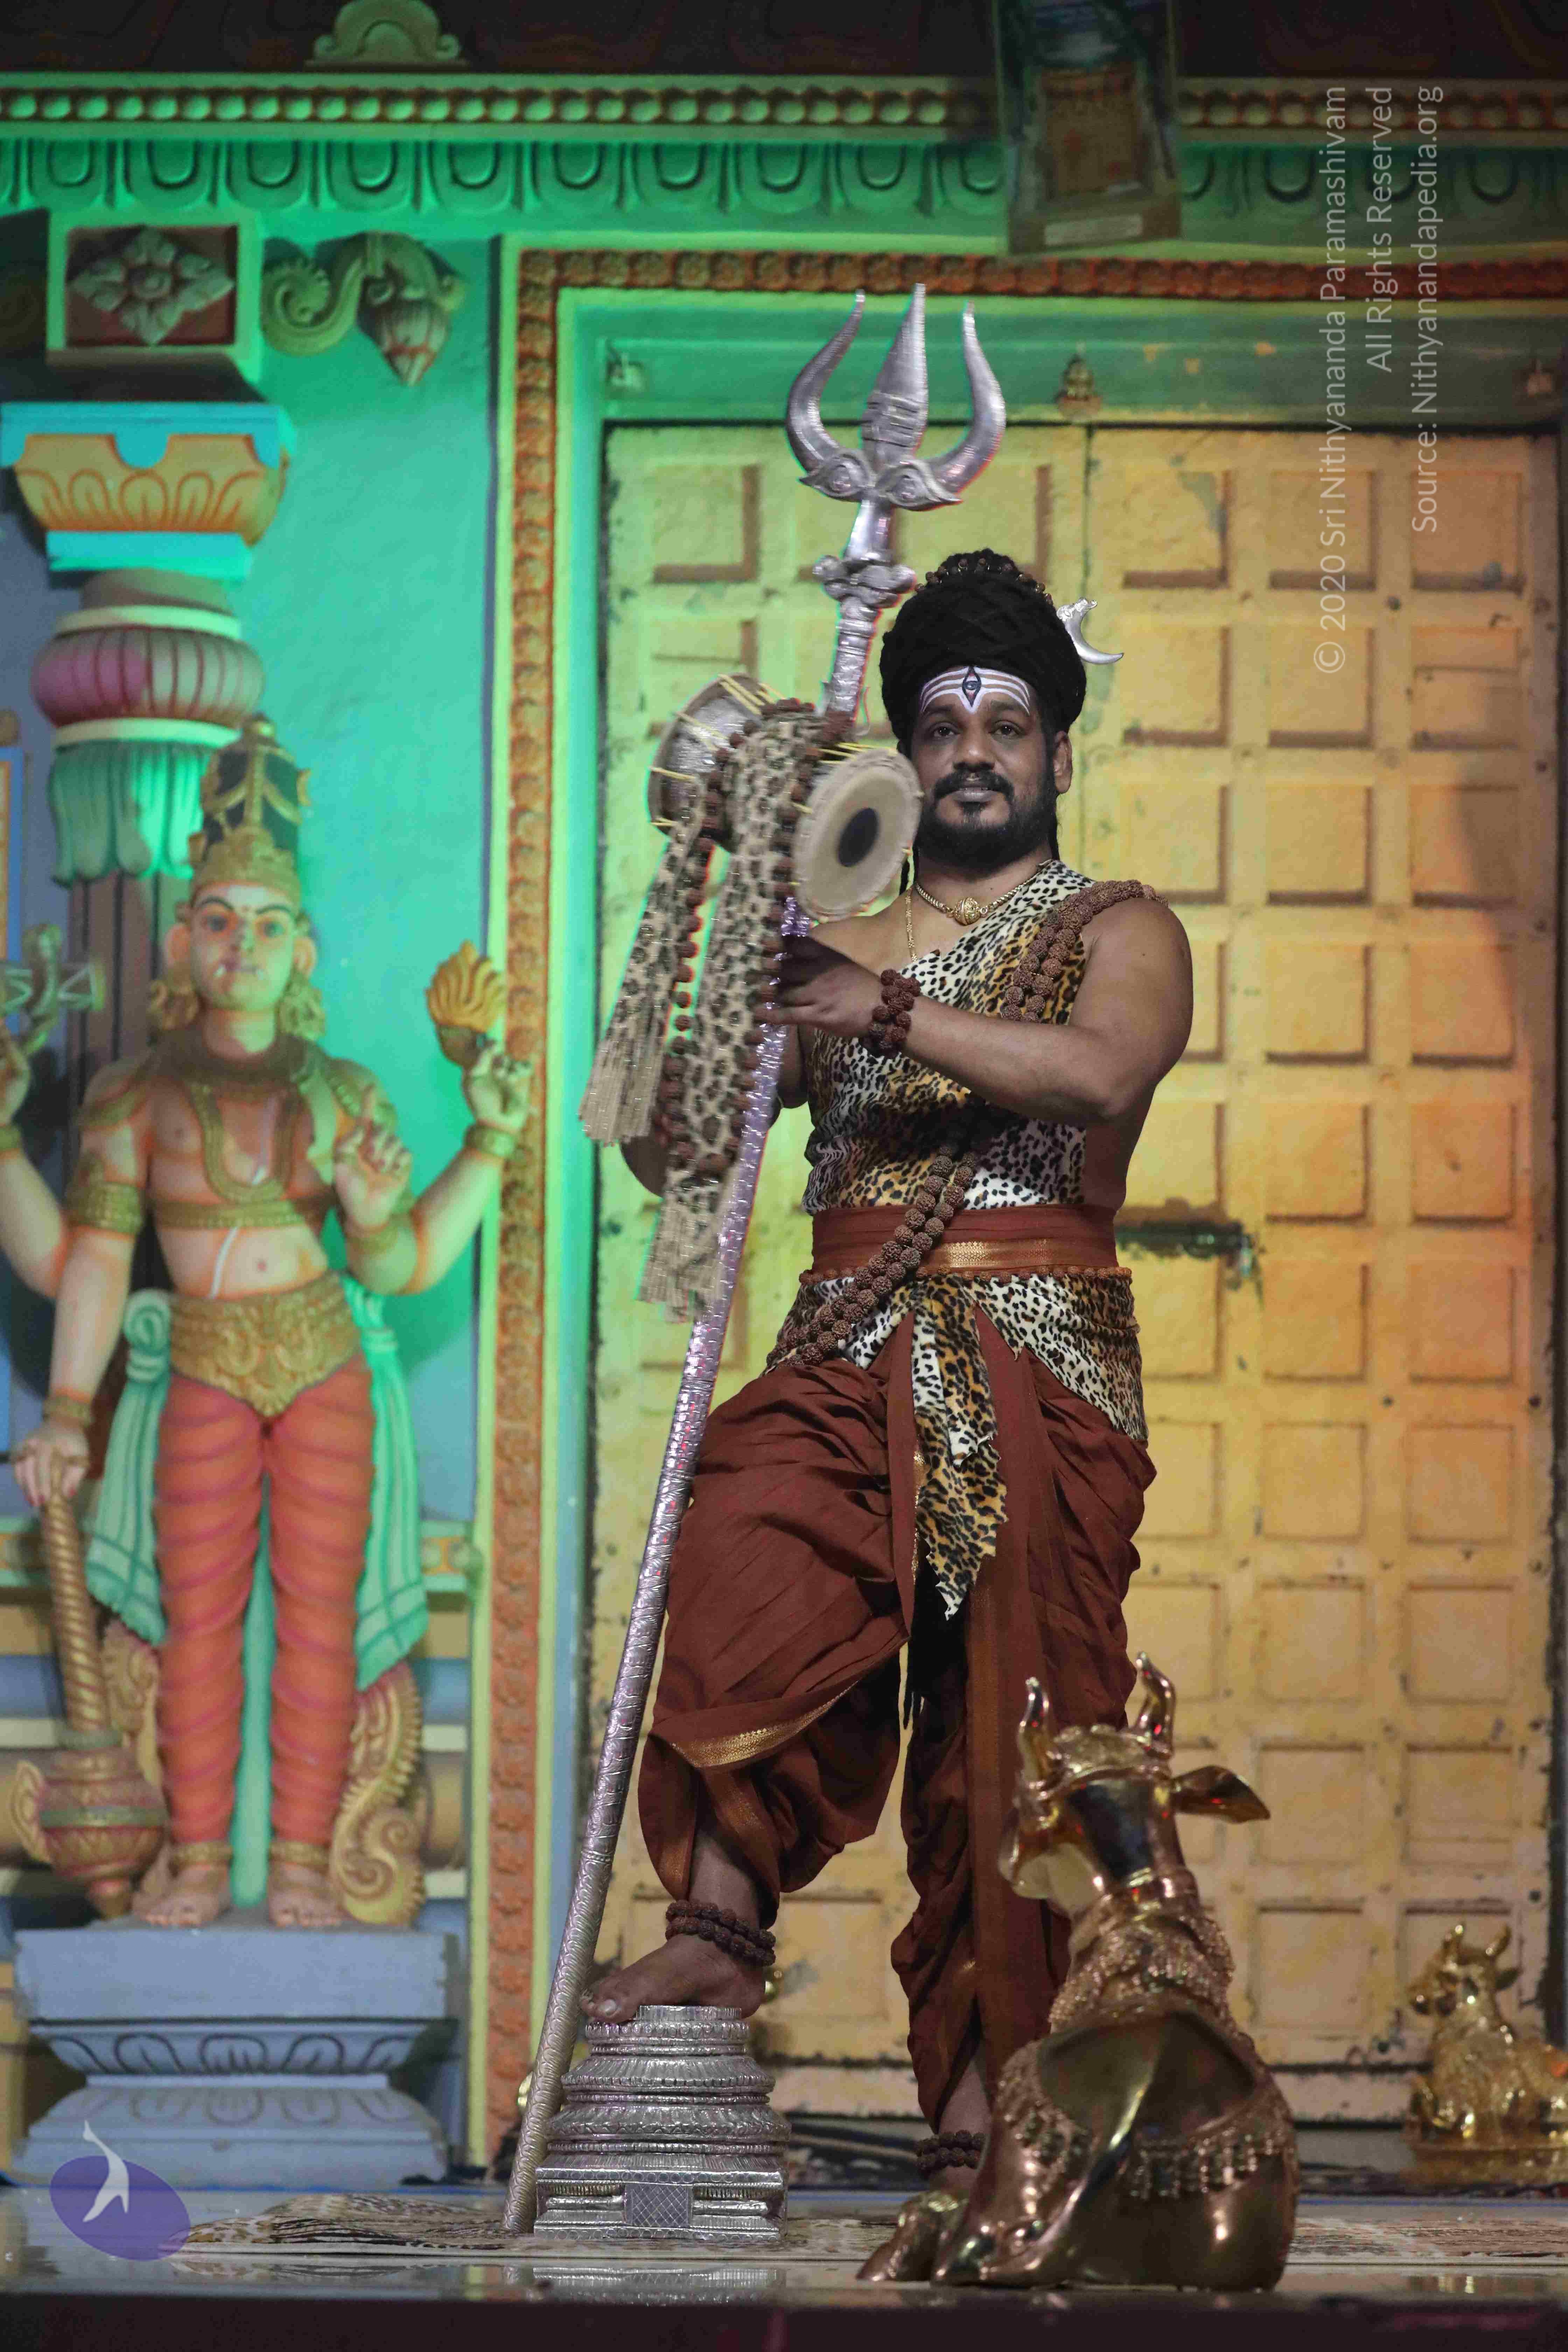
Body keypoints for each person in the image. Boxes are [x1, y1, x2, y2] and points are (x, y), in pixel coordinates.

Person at [4, 716, 529, 1929]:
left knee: (320, 1623)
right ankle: (197, 1861)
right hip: (200, 1364)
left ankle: (299, 1863)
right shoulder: (135, 1095)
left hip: (323, 1360)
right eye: (220, 921)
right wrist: (70, 1414)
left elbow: (397, 1266)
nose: (243, 945)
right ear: (183, 940)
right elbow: (85, 1264)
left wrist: (479, 1148)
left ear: (305, 951)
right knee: (197, 1625)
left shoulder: (341, 1092)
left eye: (269, 924)